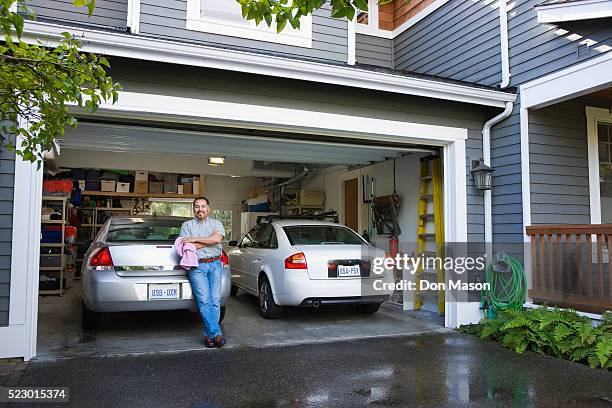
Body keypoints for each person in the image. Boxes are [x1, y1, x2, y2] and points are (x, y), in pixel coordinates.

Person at [180, 197, 226, 348]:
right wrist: (208, 240)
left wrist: (195, 240)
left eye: (203, 206)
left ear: (208, 208)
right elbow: (186, 247)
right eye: (197, 207)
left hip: (216, 264)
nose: (200, 209)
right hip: (197, 267)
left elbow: (217, 240)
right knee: (204, 301)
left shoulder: (217, 224)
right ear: (193, 209)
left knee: (215, 301)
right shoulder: (186, 225)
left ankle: (209, 336)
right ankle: (217, 334)